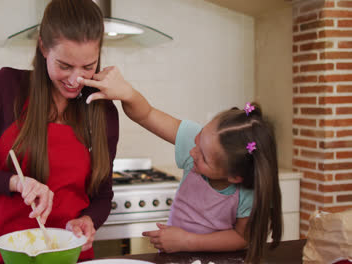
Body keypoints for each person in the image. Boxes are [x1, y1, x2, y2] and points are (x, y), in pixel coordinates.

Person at [0, 0, 119, 263]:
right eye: (65, 66)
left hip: (73, 257)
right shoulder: (4, 88)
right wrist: (14, 182)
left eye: (88, 66)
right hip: (10, 257)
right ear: (43, 47)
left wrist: (89, 220)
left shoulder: (102, 109)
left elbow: (103, 194)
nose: (75, 80)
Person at [77, 67, 283, 263]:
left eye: (204, 158)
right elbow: (146, 114)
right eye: (198, 139)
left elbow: (242, 237)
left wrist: (187, 241)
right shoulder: (198, 144)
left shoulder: (247, 191)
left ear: (234, 177)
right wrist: (127, 93)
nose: (192, 152)